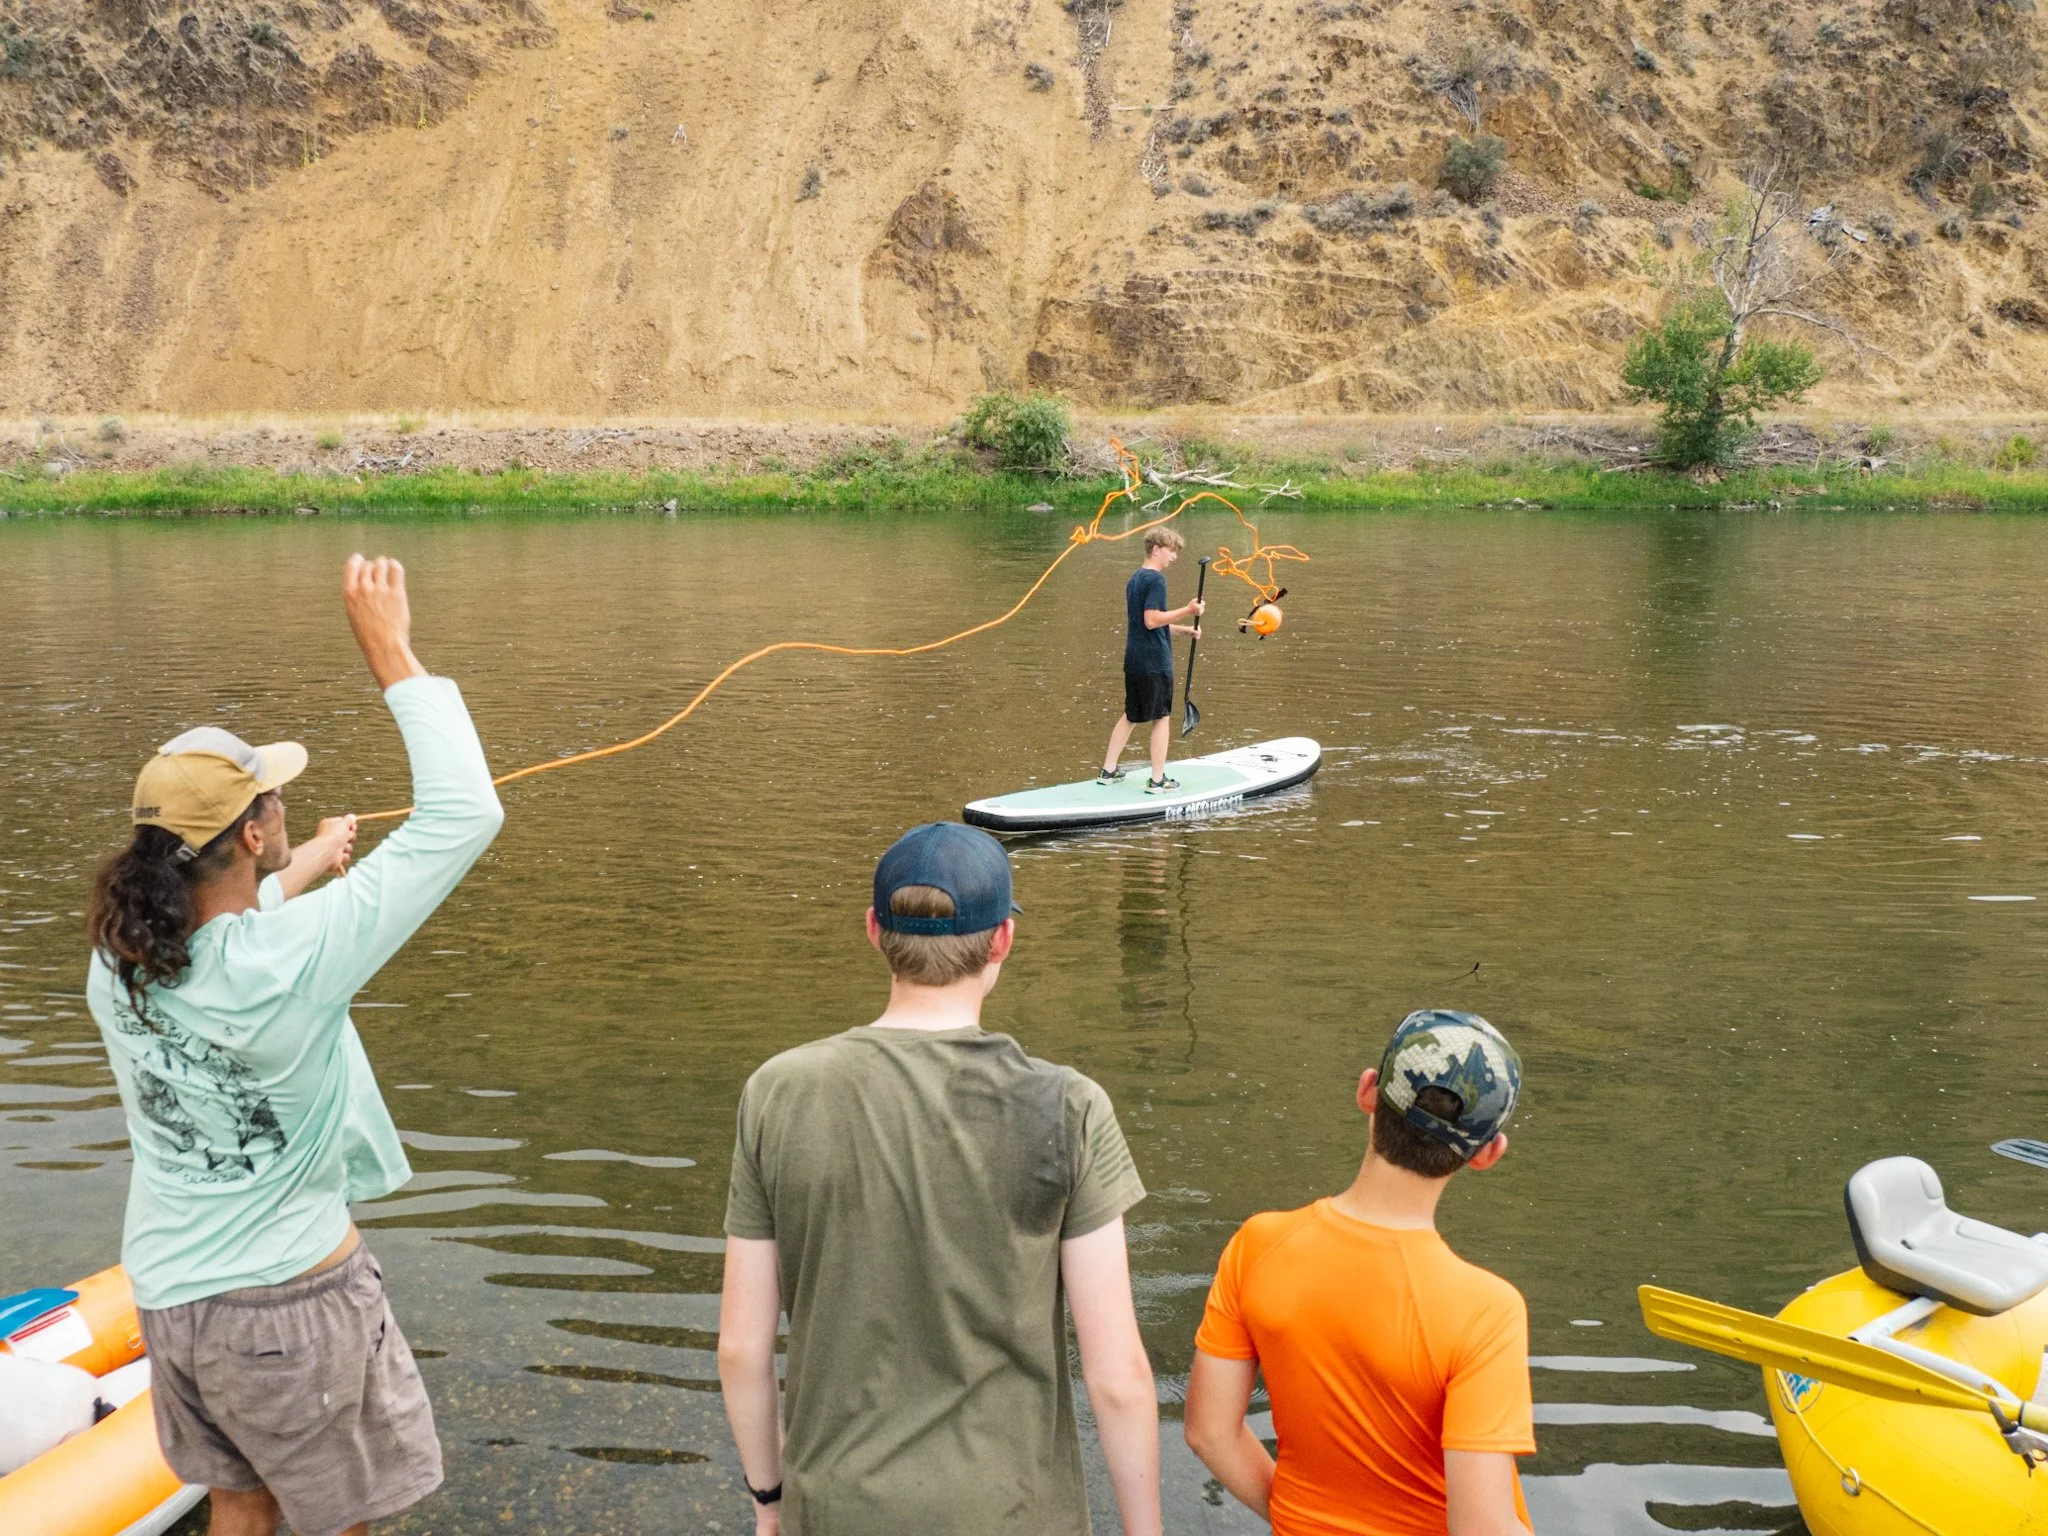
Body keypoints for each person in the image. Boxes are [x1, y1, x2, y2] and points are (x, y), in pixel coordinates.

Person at [84, 555, 505, 1536]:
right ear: (249, 831)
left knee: (241, 1500)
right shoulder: (292, 954)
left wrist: (304, 860)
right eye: (270, 799)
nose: (278, 804)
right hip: (290, 1306)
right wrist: (390, 650)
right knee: (340, 1517)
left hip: (172, 1298)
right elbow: (466, 813)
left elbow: (226, 939)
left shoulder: (117, 956)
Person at [717, 821, 1162, 1536]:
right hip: (1015, 1514)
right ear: (1002, 942)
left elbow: (741, 1347)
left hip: (835, 1509)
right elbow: (1118, 1378)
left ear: (872, 931)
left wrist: (769, 1503)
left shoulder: (778, 1091)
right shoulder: (1069, 1106)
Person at [1184, 1010, 1535, 1536]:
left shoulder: (1258, 1244)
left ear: (1369, 1091)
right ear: (1487, 1153)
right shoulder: (1487, 1311)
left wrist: (1299, 1518)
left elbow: (1209, 1432)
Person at [1100, 526, 1203, 793]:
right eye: (1171, 551)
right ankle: (1158, 780)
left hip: (1134, 659)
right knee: (1162, 717)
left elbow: (1146, 623)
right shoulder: (1156, 580)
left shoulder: (1135, 578)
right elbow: (1151, 619)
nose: (1174, 557)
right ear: (1156, 549)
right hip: (1154, 662)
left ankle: (1108, 770)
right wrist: (1188, 610)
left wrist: (1183, 630)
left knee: (1131, 715)